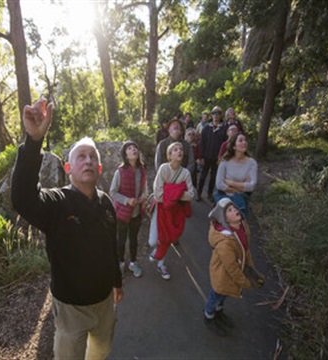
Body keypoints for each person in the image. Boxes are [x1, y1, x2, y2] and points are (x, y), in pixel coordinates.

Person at [11, 97, 123, 359]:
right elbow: (22, 199)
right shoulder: (56, 203)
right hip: (71, 308)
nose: (87, 161)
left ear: (99, 167)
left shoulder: (106, 202)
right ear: (68, 168)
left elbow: (111, 247)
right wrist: (33, 141)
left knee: (101, 350)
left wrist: (117, 282)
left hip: (105, 302)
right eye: (80, 157)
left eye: (92, 157)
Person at [203, 198, 264, 336]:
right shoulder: (225, 243)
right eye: (229, 210)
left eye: (234, 208)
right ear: (224, 219)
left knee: (224, 294)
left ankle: (218, 311)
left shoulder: (241, 225)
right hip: (222, 275)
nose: (235, 210)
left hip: (231, 276)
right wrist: (244, 282)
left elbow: (245, 250)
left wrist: (252, 270)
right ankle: (209, 316)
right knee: (216, 294)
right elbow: (231, 268)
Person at [149, 142, 195, 280]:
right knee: (153, 241)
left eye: (181, 149)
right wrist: (177, 190)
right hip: (160, 208)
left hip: (175, 210)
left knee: (168, 237)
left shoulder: (185, 173)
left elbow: (191, 194)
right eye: (175, 149)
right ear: (169, 155)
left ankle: (161, 265)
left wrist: (171, 192)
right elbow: (158, 193)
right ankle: (157, 251)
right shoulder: (164, 169)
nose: (179, 151)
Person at [110, 140, 148, 278]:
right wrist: (127, 200)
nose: (134, 150)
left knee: (134, 239)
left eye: (135, 148)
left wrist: (143, 196)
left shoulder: (142, 170)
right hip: (122, 213)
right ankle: (120, 263)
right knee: (121, 239)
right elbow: (113, 192)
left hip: (137, 213)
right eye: (130, 148)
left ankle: (132, 263)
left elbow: (145, 189)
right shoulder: (120, 172)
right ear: (125, 154)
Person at [214, 132, 257, 218]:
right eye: (240, 140)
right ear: (234, 146)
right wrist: (241, 187)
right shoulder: (225, 161)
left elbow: (252, 186)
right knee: (221, 227)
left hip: (241, 199)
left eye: (245, 140)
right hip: (224, 198)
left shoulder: (252, 163)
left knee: (239, 226)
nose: (244, 142)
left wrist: (230, 182)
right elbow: (219, 184)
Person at [196, 106, 227, 203]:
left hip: (217, 158)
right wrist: (201, 156)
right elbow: (202, 143)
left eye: (218, 113)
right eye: (214, 113)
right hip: (206, 156)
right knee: (203, 176)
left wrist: (222, 157)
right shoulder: (206, 128)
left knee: (213, 177)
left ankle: (209, 194)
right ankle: (199, 193)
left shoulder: (224, 128)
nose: (215, 115)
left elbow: (225, 144)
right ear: (211, 115)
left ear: (220, 115)